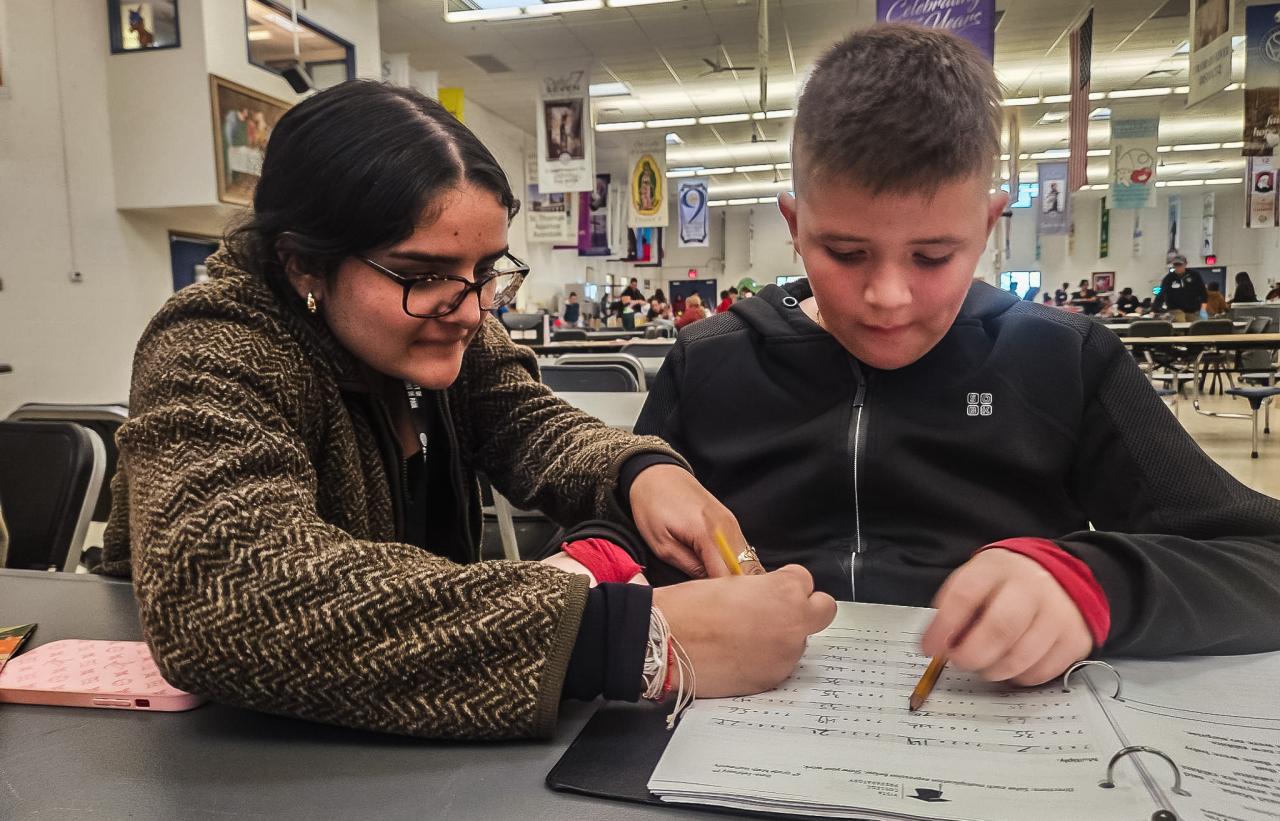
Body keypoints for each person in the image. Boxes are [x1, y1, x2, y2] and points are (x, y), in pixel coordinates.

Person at [97, 81, 834, 740]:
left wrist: (640, 470)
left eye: (485, 272)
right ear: (303, 262)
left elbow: (527, 421)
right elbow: (227, 598)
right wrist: (622, 638)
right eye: (425, 275)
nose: (471, 308)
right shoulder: (214, 345)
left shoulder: (447, 320)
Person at [635, 25, 1280, 689]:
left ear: (988, 226)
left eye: (933, 256)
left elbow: (1264, 557)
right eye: (846, 253)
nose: (887, 297)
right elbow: (611, 542)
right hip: (724, 741)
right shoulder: (709, 361)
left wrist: (1092, 582)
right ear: (795, 227)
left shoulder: (1064, 360)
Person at [1152, 255, 1207, 321]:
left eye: (1180, 265)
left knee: (1195, 326)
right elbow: (1161, 294)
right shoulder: (1169, 278)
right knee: (1180, 319)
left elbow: (1203, 293)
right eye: (1175, 265)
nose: (1177, 267)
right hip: (1175, 309)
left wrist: (1203, 310)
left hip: (1193, 310)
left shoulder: (1194, 275)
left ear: (1185, 264)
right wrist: (1154, 309)